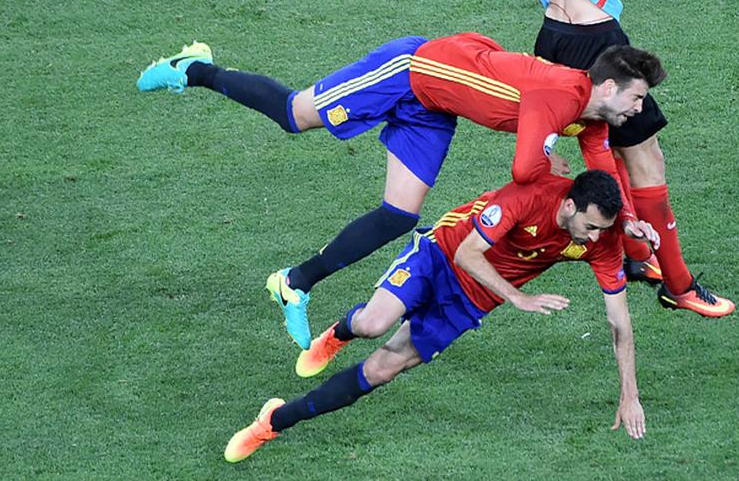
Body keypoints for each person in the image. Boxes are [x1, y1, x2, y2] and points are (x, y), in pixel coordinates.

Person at [136, 33, 662, 348]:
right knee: (294, 116)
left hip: (437, 106)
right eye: (637, 98)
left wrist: (630, 217)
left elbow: (601, 174)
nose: (640, 111)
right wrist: (550, 157)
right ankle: (195, 69)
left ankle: (294, 283)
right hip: (412, 72)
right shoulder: (558, 96)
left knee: (399, 214)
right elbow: (526, 170)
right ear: (609, 87)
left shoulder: (592, 118)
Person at [223, 169, 648, 463]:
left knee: (380, 371)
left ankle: (274, 420)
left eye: (602, 230)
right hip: (442, 254)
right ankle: (339, 332)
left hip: (470, 302)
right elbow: (467, 253)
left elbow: (619, 322)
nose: (595, 238)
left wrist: (629, 394)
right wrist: (518, 297)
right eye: (591, 226)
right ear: (570, 205)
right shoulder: (528, 198)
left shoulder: (601, 242)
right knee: (372, 324)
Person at [536, 0, 734, 317]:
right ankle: (680, 285)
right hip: (597, 39)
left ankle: (633, 253)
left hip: (550, 37)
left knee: (601, 144)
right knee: (646, 159)